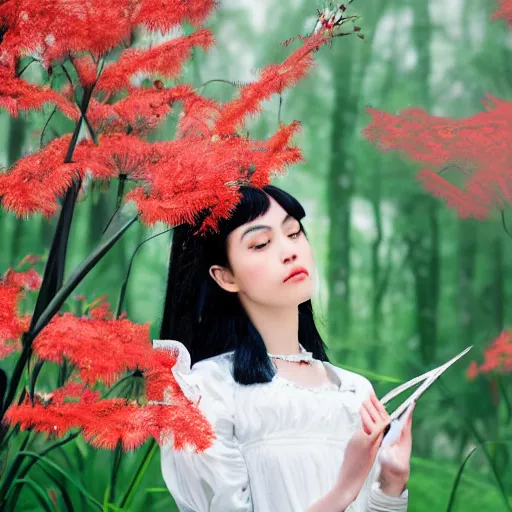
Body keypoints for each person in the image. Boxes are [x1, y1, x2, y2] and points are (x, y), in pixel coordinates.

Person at [153, 184, 413, 512]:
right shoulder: (208, 391)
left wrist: (391, 481)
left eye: (293, 233)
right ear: (225, 276)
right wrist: (346, 486)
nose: (290, 251)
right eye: (261, 243)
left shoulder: (354, 393)